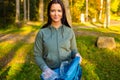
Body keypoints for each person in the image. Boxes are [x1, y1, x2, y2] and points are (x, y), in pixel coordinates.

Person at [34, 0, 82, 80]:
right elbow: (37, 55)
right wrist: (45, 69)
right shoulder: (42, 33)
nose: (56, 14)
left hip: (68, 73)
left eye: (59, 11)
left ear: (63, 13)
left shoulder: (69, 31)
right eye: (53, 11)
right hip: (51, 74)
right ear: (49, 13)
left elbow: (73, 50)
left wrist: (77, 54)